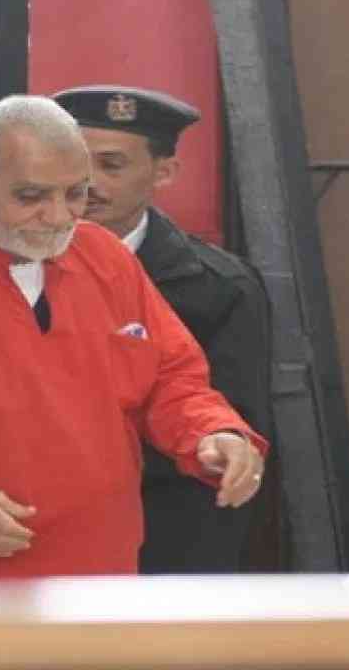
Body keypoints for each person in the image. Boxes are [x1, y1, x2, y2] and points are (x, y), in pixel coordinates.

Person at [0, 95, 268, 578]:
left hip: (96, 581)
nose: (58, 217)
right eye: (31, 196)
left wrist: (213, 433)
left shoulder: (107, 258)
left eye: (76, 194)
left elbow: (171, 379)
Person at [52, 85, 274, 573]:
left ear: (164, 172)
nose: (89, 184)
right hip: (46, 522)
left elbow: (232, 421)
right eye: (77, 164)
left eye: (112, 165)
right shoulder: (21, 263)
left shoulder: (216, 285)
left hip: (169, 527)